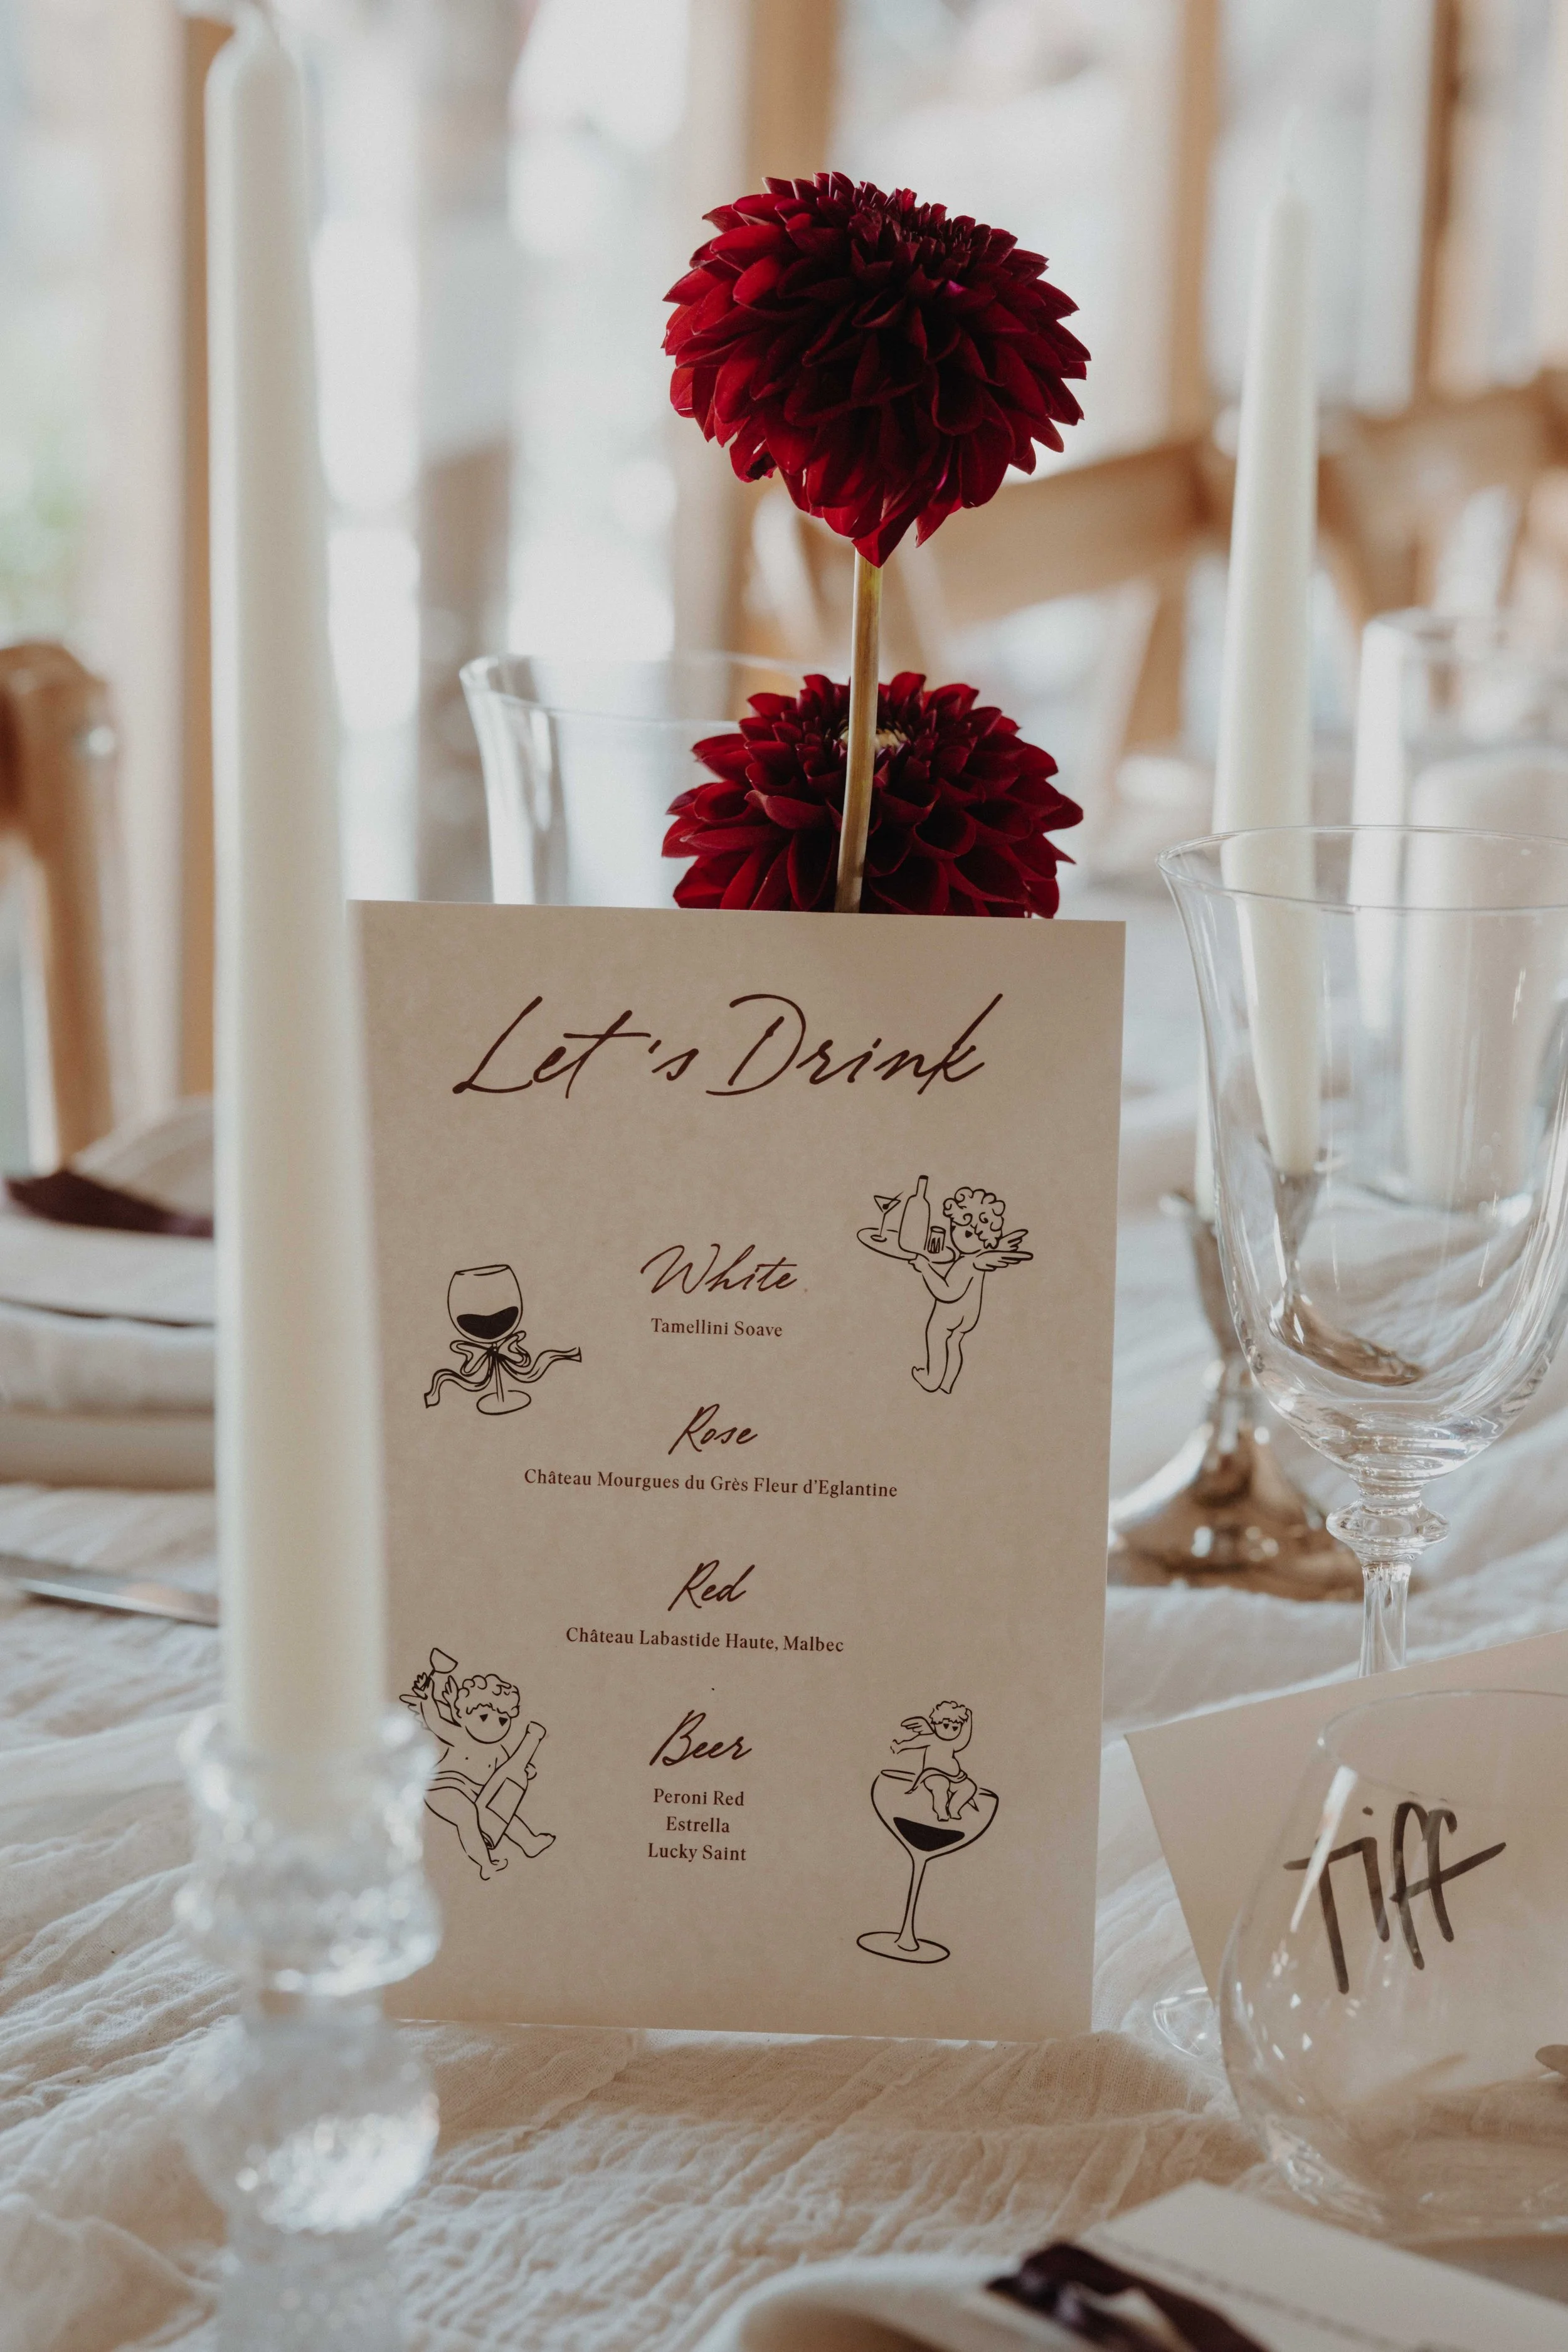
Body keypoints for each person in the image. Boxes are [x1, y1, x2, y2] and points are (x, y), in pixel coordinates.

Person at [405, 1664, 553, 1878]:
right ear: (464, 1714)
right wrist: (436, 1681)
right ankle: (485, 1863)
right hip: (444, 1788)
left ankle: (529, 1842)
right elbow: (433, 1716)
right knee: (467, 1814)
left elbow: (508, 1772)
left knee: (503, 1810)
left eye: (503, 1721)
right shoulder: (459, 1735)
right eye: (484, 1717)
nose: (493, 1726)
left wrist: (524, 1768)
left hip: (475, 1794)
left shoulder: (498, 1749)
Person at [909, 1186, 1029, 1394]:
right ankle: (947, 1384)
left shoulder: (967, 1263)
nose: (957, 1236)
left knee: (936, 1336)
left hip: (951, 1313)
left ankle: (931, 1380)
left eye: (966, 1232)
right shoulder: (976, 1258)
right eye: (954, 1227)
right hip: (968, 1315)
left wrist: (925, 1268)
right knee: (954, 1342)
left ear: (983, 1238)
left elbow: (948, 1293)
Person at [892, 1701, 978, 1821]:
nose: (950, 1731)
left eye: (955, 1728)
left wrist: (969, 1720)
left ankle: (954, 1808)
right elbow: (915, 1743)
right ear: (936, 1723)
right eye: (946, 1726)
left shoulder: (953, 1743)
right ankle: (941, 1811)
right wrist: (900, 1746)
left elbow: (965, 1738)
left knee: (969, 1787)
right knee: (941, 1786)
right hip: (934, 1775)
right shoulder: (931, 1738)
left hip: (955, 1777)